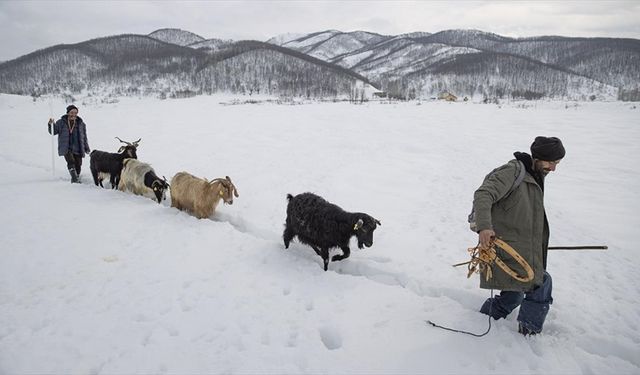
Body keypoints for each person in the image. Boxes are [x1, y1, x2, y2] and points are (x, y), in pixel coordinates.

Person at [471, 136, 565, 336]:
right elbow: (483, 194)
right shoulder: (513, 171)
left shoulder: (535, 175)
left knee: (513, 296)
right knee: (540, 283)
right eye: (551, 162)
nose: (554, 168)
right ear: (538, 157)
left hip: (521, 249)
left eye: (557, 164)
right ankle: (529, 333)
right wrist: (484, 228)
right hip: (505, 249)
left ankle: (483, 318)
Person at [48, 105, 91, 183]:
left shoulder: (81, 123)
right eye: (71, 112)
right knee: (71, 161)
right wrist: (51, 125)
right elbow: (53, 131)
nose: (73, 114)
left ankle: (76, 176)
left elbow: (84, 137)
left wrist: (87, 148)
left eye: (75, 113)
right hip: (66, 146)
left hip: (78, 147)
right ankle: (74, 179)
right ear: (68, 113)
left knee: (78, 164)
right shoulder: (61, 122)